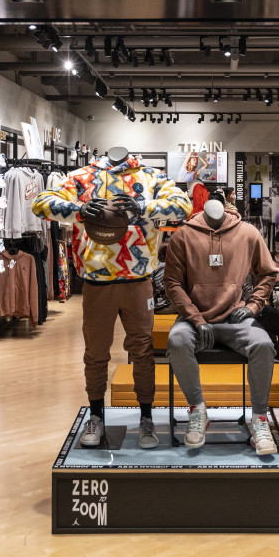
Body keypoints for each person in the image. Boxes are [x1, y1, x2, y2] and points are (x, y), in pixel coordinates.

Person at [32, 146, 192, 450]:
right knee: (95, 353)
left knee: (143, 351)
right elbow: (40, 204)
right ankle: (96, 416)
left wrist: (142, 206)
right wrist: (79, 210)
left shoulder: (151, 176)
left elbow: (183, 206)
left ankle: (146, 418)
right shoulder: (82, 177)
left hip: (138, 281)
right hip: (97, 282)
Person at [163, 198, 279, 456]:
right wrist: (196, 318)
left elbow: (269, 272)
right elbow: (171, 282)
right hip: (194, 320)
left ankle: (259, 418)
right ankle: (198, 410)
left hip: (235, 319)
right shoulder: (182, 236)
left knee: (263, 344)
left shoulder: (248, 233)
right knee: (176, 341)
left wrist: (252, 306)